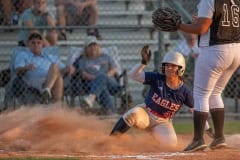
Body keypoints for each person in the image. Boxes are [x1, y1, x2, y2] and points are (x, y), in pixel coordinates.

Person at [110, 46, 213, 149]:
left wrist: (208, 129)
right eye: (167, 65)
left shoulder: (184, 91)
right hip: (146, 113)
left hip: (163, 122)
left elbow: (196, 111)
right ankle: (110, 141)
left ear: (180, 69)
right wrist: (143, 63)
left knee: (170, 145)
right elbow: (133, 75)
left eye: (173, 66)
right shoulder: (157, 78)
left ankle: (151, 141)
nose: (169, 68)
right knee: (131, 115)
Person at [178, 0, 240, 151]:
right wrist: (201, 20)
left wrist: (178, 25)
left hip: (215, 50)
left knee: (200, 94)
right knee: (215, 93)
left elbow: (201, 28)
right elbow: (218, 24)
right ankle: (219, 137)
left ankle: (198, 139)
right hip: (236, 50)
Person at [14, 32, 75, 104]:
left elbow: (63, 69)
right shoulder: (23, 55)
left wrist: (69, 68)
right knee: (56, 71)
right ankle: (54, 103)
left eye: (38, 43)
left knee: (58, 74)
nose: (36, 45)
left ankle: (47, 92)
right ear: (28, 44)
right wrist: (26, 68)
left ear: (42, 44)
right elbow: (17, 69)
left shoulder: (49, 56)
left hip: (50, 79)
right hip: (34, 79)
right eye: (33, 43)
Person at [72, 36, 121, 114]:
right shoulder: (82, 60)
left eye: (95, 45)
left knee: (101, 78)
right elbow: (83, 74)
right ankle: (112, 113)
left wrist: (103, 77)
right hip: (91, 84)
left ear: (98, 46)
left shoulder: (106, 56)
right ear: (86, 49)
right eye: (90, 46)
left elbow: (114, 69)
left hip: (111, 83)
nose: (93, 48)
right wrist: (98, 79)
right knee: (102, 88)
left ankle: (91, 98)